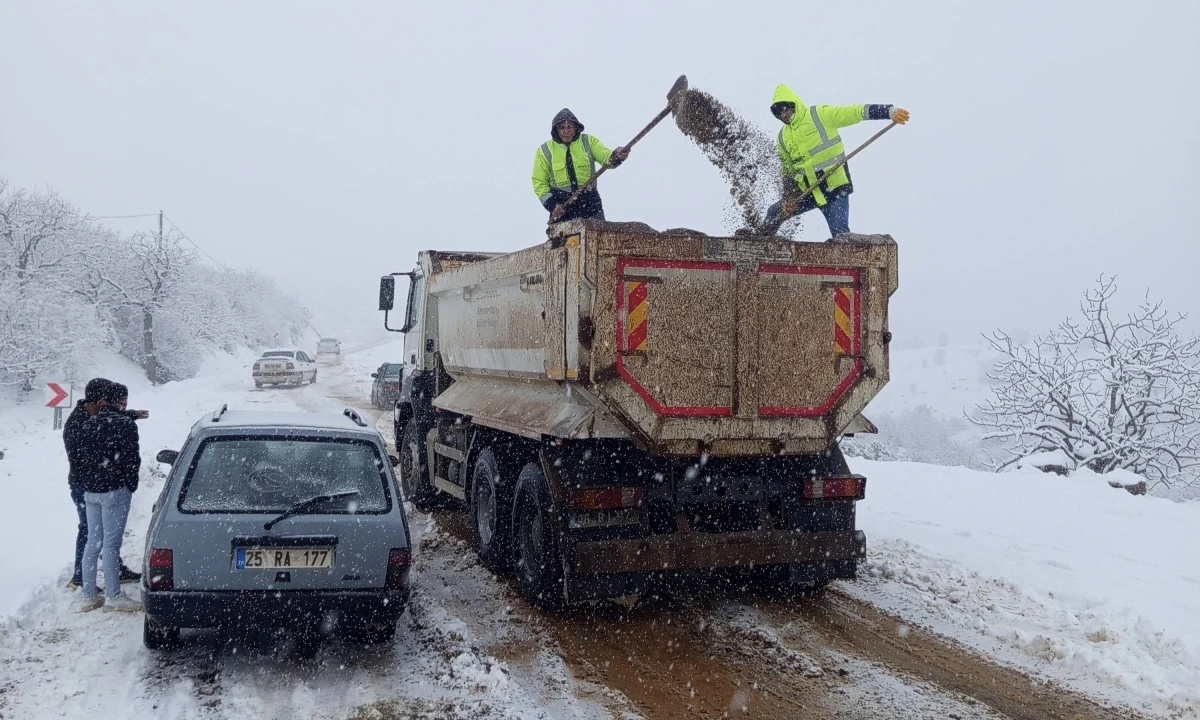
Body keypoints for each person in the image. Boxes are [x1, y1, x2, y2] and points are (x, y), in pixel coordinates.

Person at [765, 84, 910, 237]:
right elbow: (788, 170)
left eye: (785, 109)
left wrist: (889, 112)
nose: (783, 115)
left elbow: (856, 112)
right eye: (779, 113)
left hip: (834, 188)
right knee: (774, 212)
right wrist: (789, 198)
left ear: (793, 104)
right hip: (807, 192)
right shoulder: (782, 137)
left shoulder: (819, 115)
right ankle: (757, 242)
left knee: (840, 236)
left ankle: (850, 257)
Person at [63, 378, 144, 590]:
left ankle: (109, 573)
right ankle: (81, 577)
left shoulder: (89, 418)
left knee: (97, 536)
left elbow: (108, 421)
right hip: (86, 485)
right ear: (100, 400)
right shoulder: (77, 424)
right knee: (92, 534)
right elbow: (87, 450)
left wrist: (130, 415)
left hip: (91, 484)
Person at [532, 108, 630, 223]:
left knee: (598, 238)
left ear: (576, 127)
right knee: (562, 241)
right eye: (562, 128)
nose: (566, 131)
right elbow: (539, 182)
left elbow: (606, 157)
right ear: (556, 130)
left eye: (570, 127)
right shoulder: (545, 151)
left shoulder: (588, 141)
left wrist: (617, 155)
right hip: (562, 209)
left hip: (590, 204)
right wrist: (552, 205)